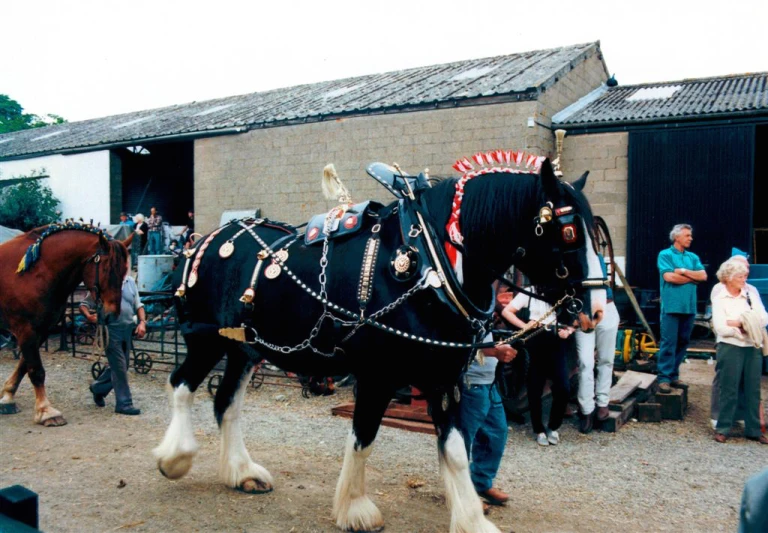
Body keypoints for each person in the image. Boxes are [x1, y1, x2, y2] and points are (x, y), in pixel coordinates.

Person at [502, 288, 575, 446]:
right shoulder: (529, 292)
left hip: (556, 339)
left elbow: (574, 319)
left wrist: (568, 331)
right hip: (535, 339)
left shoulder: (562, 291)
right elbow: (507, 311)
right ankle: (538, 429)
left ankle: (554, 426)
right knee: (535, 387)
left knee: (563, 387)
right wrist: (524, 326)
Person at [457, 333, 517, 511]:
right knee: (462, 440)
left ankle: (481, 483)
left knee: (497, 433)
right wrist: (493, 350)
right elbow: (456, 340)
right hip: (470, 383)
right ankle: (461, 493)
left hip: (489, 382)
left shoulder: (487, 309)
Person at [711, 258, 768, 444]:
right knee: (729, 388)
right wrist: (745, 324)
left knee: (753, 389)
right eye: (740, 276)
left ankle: (754, 429)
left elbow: (763, 318)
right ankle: (723, 428)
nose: (744, 280)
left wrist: (738, 323)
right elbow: (720, 327)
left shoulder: (751, 293)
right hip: (729, 347)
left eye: (745, 276)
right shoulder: (720, 296)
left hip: (752, 346)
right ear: (728, 277)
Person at [80, 259, 147, 415]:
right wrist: (89, 316)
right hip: (110, 330)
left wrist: (142, 322)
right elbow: (84, 304)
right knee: (119, 366)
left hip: (127, 329)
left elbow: (139, 305)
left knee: (123, 365)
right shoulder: (105, 283)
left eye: (125, 265)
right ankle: (124, 403)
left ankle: (98, 388)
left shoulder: (130, 282)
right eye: (121, 265)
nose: (124, 267)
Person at [656, 224, 707, 394]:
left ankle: (673, 375)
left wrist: (683, 271)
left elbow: (703, 276)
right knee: (669, 342)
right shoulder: (665, 255)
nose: (690, 238)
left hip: (689, 307)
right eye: (687, 235)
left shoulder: (693, 257)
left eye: (690, 235)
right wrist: (692, 278)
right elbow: (669, 277)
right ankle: (663, 378)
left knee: (683, 342)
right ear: (676, 237)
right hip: (671, 307)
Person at [575, 254, 620, 433]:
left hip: (606, 307)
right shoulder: (572, 257)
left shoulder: (598, 257)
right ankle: (586, 408)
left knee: (606, 359)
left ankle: (602, 401)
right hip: (583, 310)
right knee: (585, 362)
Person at [710, 254, 754, 428]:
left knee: (744, 378)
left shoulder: (750, 289)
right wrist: (744, 323)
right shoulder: (719, 289)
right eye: (742, 269)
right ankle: (717, 415)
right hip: (727, 340)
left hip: (747, 340)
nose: (746, 272)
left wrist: (744, 322)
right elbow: (721, 322)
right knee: (723, 378)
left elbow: (758, 316)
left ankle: (740, 414)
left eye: (747, 269)